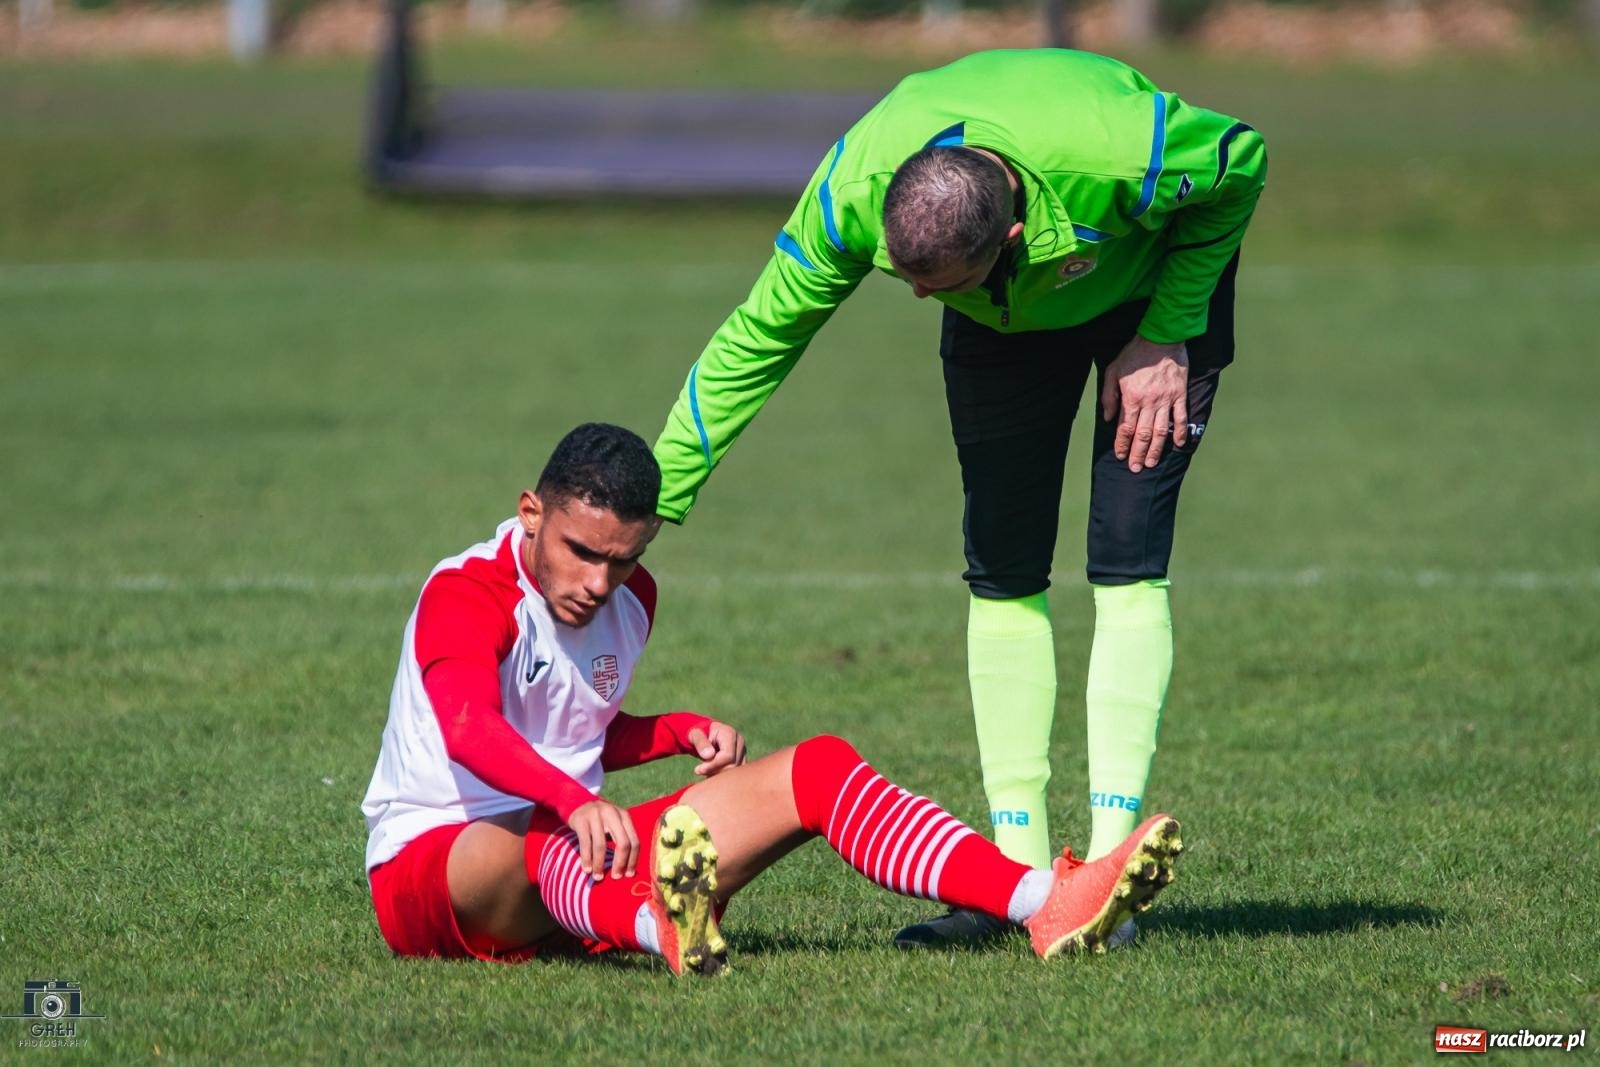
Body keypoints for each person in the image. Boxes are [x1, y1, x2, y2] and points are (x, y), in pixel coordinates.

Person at [649, 49, 1265, 948]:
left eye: (932, 284)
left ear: (1006, 239)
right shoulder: (853, 191)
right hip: (1006, 325)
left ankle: (1103, 876)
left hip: (1152, 300)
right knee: (1003, 567)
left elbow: (1241, 159)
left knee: (1127, 551)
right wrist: (648, 502)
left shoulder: (1118, 152)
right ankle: (1013, 885)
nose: (914, 298)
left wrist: (1167, 331)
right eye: (905, 276)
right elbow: (759, 336)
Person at [361, 422, 1183, 974]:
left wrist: (671, 731)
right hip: (432, 871)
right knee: (544, 826)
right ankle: (659, 929)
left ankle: (1042, 900)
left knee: (816, 767)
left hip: (577, 857)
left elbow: (567, 726)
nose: (596, 582)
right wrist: (576, 801)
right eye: (580, 552)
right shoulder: (467, 593)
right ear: (530, 511)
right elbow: (472, 728)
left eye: (620, 559)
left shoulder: (633, 596)